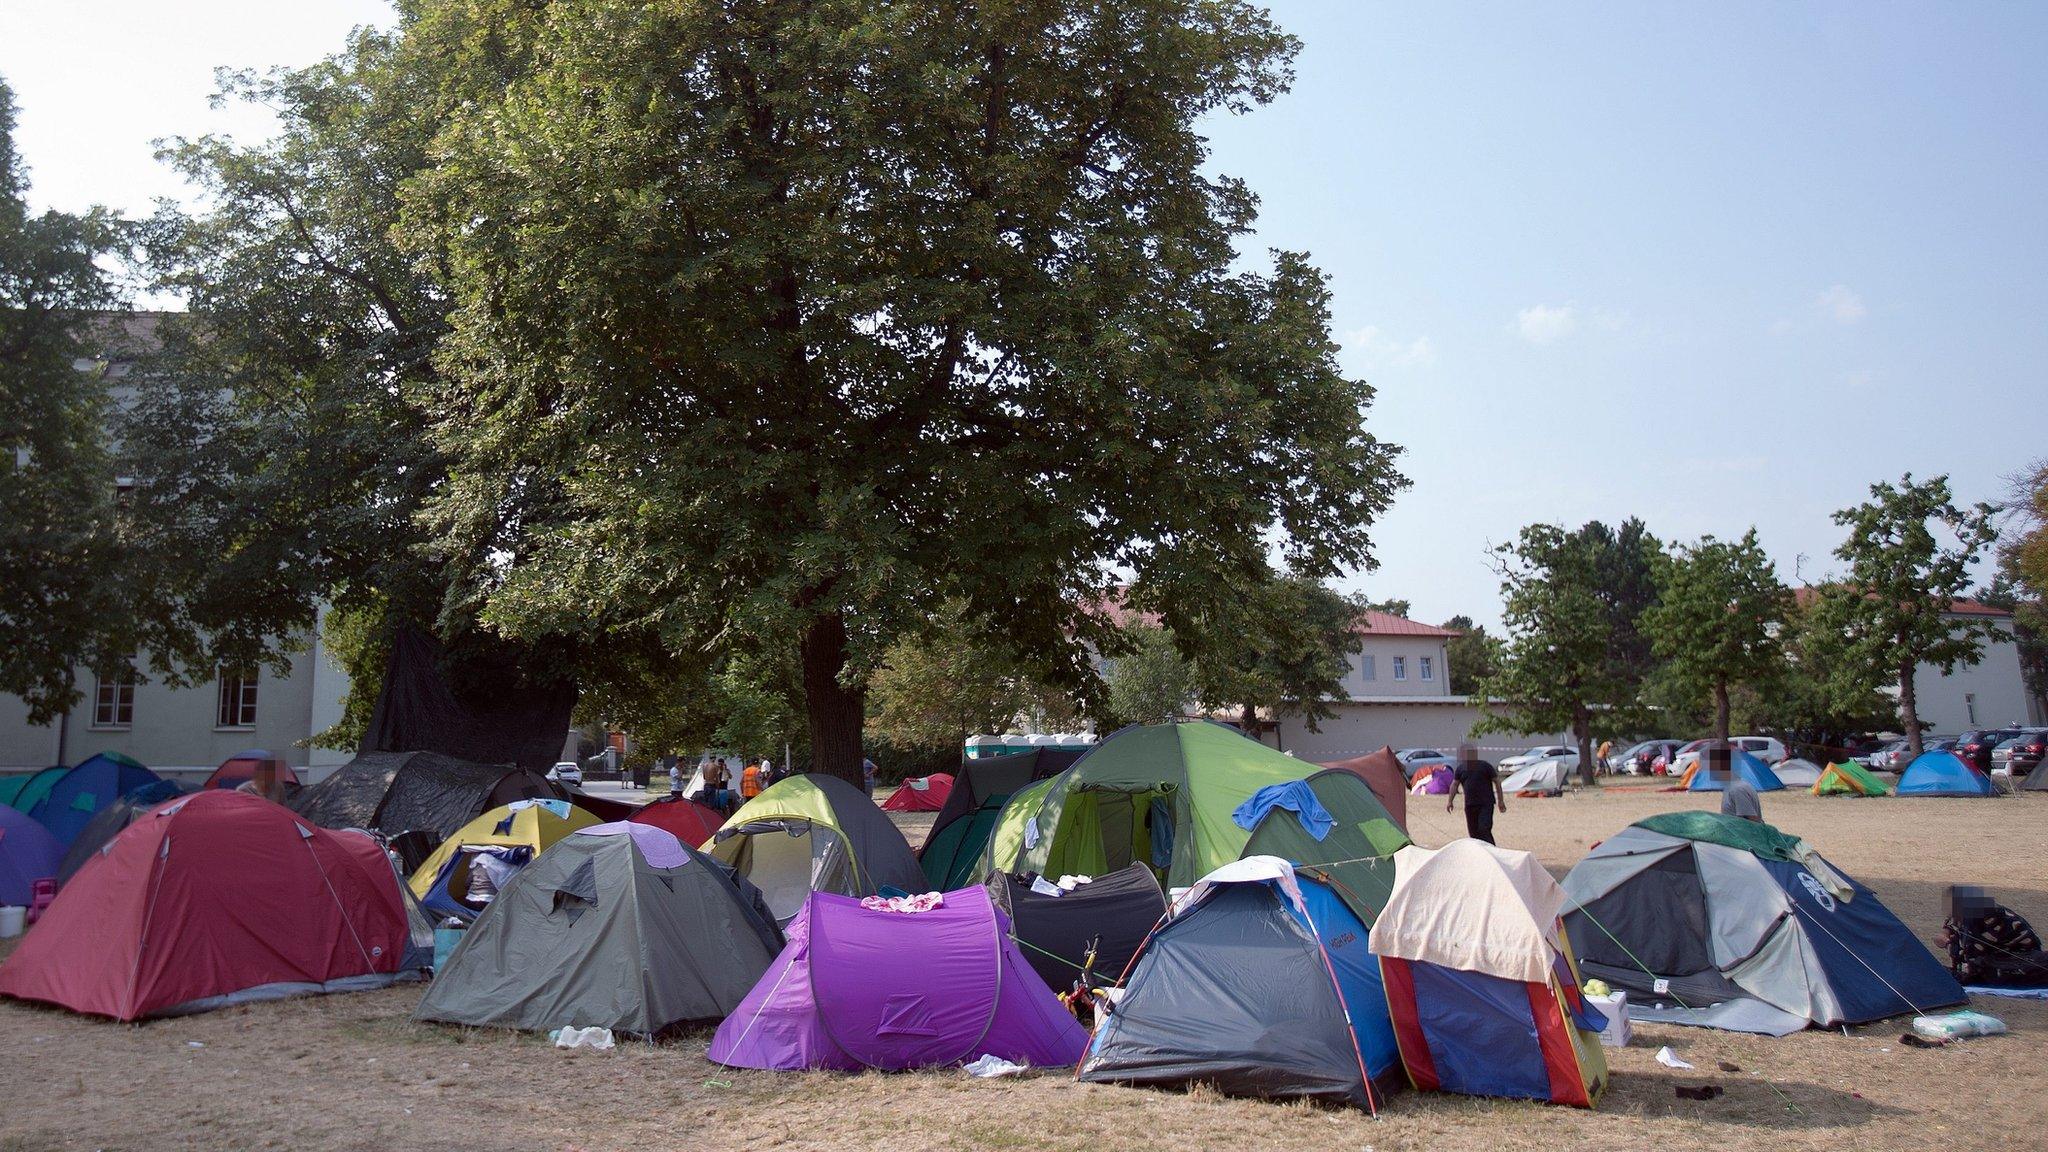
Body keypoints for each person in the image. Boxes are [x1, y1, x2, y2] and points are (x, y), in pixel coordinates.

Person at [1936, 886, 2048, 987]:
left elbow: (1972, 954)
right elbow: (1951, 926)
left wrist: (1948, 945)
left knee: (1978, 969)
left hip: (2020, 959)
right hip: (2002, 955)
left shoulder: (1985, 918)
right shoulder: (1969, 912)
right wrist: (1944, 934)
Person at [1446, 746, 1505, 844]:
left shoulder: (1485, 766)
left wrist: (1501, 801)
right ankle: (1479, 854)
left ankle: (1491, 851)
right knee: (1473, 833)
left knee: (1484, 829)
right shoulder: (1461, 768)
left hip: (1486, 803)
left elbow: (1497, 782)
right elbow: (1455, 784)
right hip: (1470, 805)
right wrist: (1450, 801)